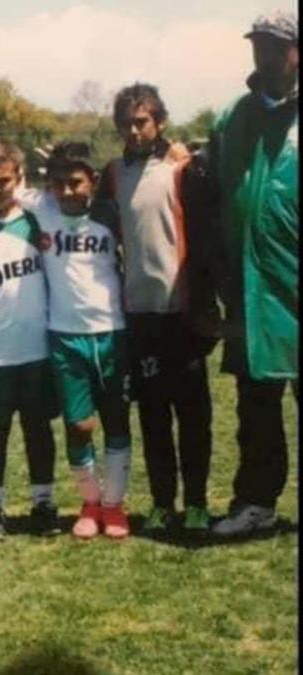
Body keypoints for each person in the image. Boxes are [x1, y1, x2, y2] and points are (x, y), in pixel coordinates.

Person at [101, 83, 217, 534]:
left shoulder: (183, 167)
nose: (134, 131)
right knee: (152, 416)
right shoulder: (113, 174)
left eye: (142, 121)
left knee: (194, 415)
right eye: (126, 124)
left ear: (160, 122)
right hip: (140, 315)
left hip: (182, 313)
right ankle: (163, 502)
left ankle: (199, 502)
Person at [209, 10, 298, 536]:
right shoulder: (233, 118)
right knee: (256, 404)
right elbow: (209, 186)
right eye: (259, 45)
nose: (266, 55)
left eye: (277, 45)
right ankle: (256, 502)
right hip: (250, 286)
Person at [34, 141, 133, 540]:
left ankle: (114, 505)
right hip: (64, 337)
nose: (68, 191)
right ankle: (90, 502)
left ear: (92, 181)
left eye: (75, 182)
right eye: (58, 184)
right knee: (78, 425)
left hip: (112, 332)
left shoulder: (111, 213)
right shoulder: (41, 210)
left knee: (116, 420)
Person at [0, 140, 59, 538]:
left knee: (38, 428)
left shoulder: (38, 221)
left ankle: (43, 502)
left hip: (36, 347)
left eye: (4, 180)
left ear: (18, 179)